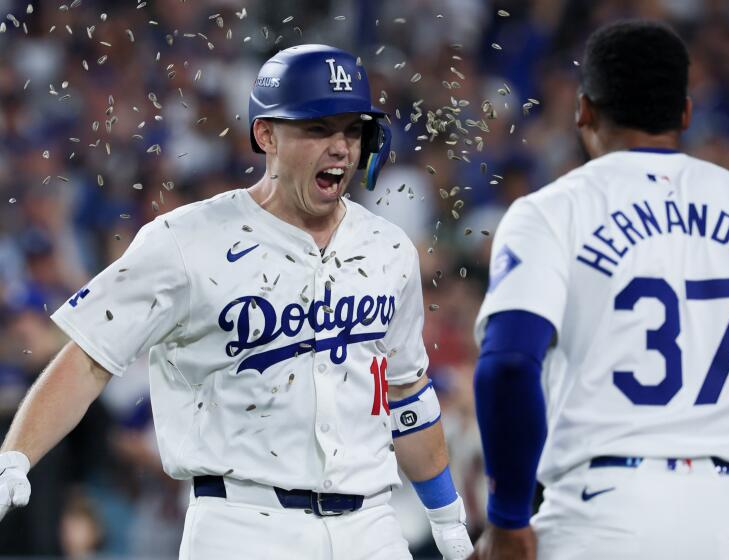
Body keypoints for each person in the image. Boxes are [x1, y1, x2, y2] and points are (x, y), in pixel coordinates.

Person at [0, 44, 473, 560]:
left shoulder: (389, 249)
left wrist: (447, 518)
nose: (340, 147)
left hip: (372, 526)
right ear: (266, 134)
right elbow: (90, 358)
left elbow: (406, 392)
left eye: (352, 130)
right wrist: (15, 456)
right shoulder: (186, 240)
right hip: (243, 526)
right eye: (318, 128)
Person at [468, 20, 729, 560]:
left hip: (602, 515)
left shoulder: (551, 211)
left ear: (584, 111)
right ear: (685, 113)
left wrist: (507, 518)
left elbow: (507, 363)